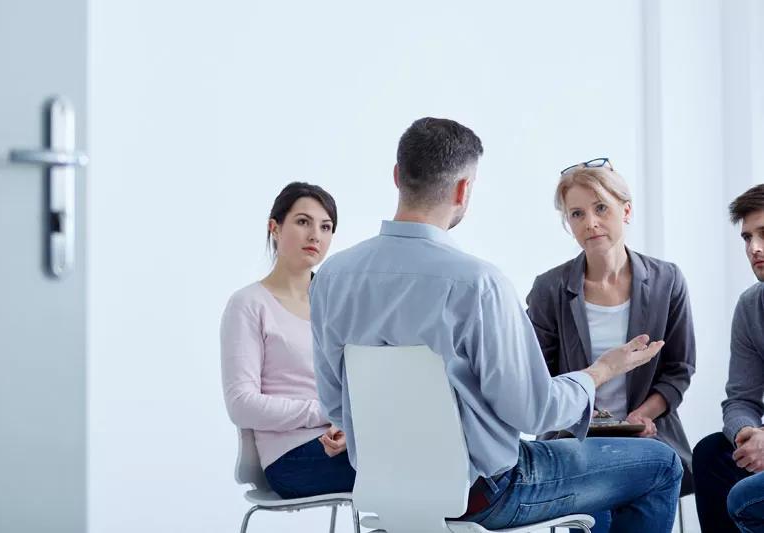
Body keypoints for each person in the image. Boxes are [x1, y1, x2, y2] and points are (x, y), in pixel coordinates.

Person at [310, 118, 682, 532]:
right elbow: (535, 412)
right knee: (661, 464)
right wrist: (602, 371)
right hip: (488, 495)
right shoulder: (477, 284)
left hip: (388, 495)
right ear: (463, 189)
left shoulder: (331, 278)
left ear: (398, 176)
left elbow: (334, 403)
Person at [526, 159, 696, 531]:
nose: (590, 222)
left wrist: (644, 415)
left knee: (649, 474)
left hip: (649, 433)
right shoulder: (549, 288)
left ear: (626, 209)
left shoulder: (668, 280)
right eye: (576, 213)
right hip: (575, 436)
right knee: (593, 492)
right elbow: (539, 378)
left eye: (601, 207)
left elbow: (679, 369)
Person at [220, 182, 355, 499]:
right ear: (274, 227)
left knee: (420, 462)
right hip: (290, 457)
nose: (315, 236)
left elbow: (358, 385)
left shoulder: (338, 305)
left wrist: (348, 428)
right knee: (413, 471)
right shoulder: (249, 304)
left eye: (326, 227)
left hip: (347, 442)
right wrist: (325, 413)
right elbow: (241, 405)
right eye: (303, 222)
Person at [693, 184, 764, 532]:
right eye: (747, 238)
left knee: (744, 497)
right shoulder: (751, 306)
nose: (755, 248)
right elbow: (740, 399)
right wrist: (749, 433)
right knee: (711, 454)